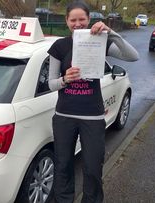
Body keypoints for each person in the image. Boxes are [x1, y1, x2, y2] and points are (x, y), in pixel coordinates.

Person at [47, 1, 139, 203]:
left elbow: (134, 56)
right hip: (64, 116)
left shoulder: (101, 41)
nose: (78, 23)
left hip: (93, 117)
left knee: (93, 167)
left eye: (82, 19)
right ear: (67, 21)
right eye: (73, 20)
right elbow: (51, 84)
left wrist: (111, 32)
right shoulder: (59, 46)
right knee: (63, 166)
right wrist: (65, 79)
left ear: (89, 19)